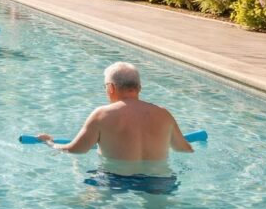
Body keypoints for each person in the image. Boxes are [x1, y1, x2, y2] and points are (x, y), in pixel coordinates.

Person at [35, 62, 194, 161]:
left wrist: (49, 142)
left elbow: (75, 150)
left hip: (115, 180)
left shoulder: (102, 115)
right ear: (139, 87)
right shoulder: (163, 114)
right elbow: (184, 149)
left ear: (111, 88)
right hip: (159, 181)